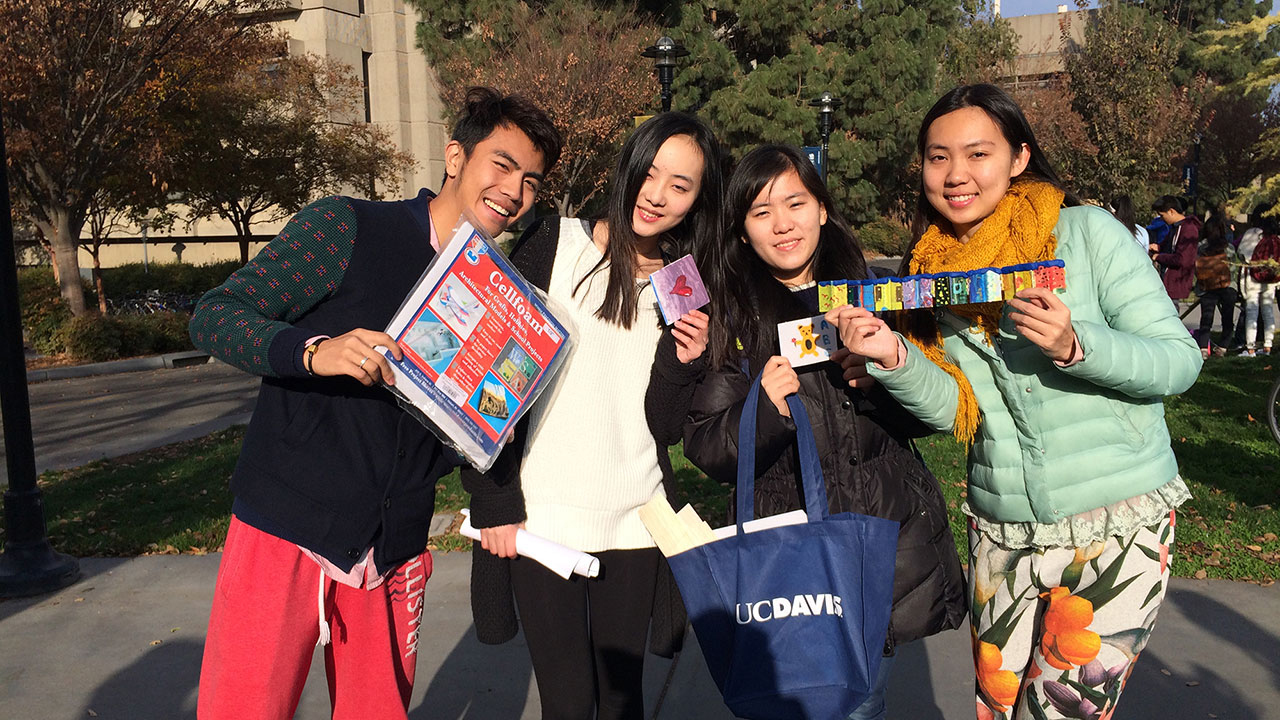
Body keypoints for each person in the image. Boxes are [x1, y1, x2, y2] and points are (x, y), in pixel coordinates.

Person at [188, 87, 562, 720]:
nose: (514, 190)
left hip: (394, 544)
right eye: (501, 164)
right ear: (455, 156)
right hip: (286, 526)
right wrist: (314, 351)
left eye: (530, 180)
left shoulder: (503, 301)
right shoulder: (348, 227)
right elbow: (213, 316)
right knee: (242, 709)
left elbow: (463, 434)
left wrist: (486, 427)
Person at [830, 84, 1201, 720]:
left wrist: (1076, 343)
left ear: (1019, 157)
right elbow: (956, 410)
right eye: (938, 157)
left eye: (978, 154)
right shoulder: (929, 274)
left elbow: (1179, 362)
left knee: (1058, 711)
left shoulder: (1084, 236)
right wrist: (896, 360)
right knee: (998, 708)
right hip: (1001, 528)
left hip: (1118, 524)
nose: (956, 175)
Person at [651, 144, 966, 720]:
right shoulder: (731, 316)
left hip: (880, 548)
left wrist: (883, 382)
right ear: (742, 232)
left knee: (863, 703)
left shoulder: (877, 293)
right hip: (789, 561)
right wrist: (765, 410)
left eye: (796, 202)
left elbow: (939, 414)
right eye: (760, 211)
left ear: (822, 209)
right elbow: (707, 445)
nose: (783, 224)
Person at [462, 112, 724, 720]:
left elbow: (662, 424)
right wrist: (495, 501)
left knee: (621, 699)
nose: (657, 195)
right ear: (628, 166)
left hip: (635, 519)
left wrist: (685, 361)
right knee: (569, 702)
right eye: (650, 173)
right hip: (544, 516)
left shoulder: (685, 282)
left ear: (695, 202)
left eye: (680, 186)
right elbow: (484, 386)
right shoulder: (554, 242)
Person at [1193, 213, 1241, 357]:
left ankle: (1203, 348)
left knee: (1206, 317)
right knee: (1227, 318)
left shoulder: (1201, 247)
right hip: (1227, 286)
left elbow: (1196, 267)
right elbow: (1233, 268)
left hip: (1207, 286)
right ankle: (1223, 347)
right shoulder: (1228, 247)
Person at [1238, 215, 1279, 356]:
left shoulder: (1252, 233)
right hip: (1270, 280)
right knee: (1268, 312)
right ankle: (1268, 345)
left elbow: (1242, 253)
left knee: (1252, 313)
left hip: (1253, 278)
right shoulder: (1275, 237)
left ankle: (1250, 348)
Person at [1150, 195, 1201, 307]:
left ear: (1171, 211)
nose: (1161, 219)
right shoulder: (1175, 228)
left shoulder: (1188, 229)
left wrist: (1158, 257)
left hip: (1176, 281)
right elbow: (1169, 247)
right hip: (1168, 280)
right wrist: (1157, 248)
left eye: (1162, 215)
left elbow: (1182, 259)